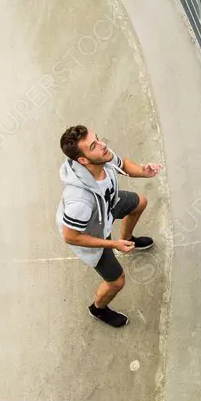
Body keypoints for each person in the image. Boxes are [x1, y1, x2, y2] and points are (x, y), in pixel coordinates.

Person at [55, 125, 161, 328]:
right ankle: (98, 309)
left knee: (140, 202)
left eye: (98, 139)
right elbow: (71, 237)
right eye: (94, 145)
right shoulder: (79, 201)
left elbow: (123, 164)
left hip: (107, 204)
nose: (103, 145)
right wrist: (113, 244)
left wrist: (143, 171)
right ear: (83, 160)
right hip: (91, 231)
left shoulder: (101, 156)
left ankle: (129, 239)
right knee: (117, 281)